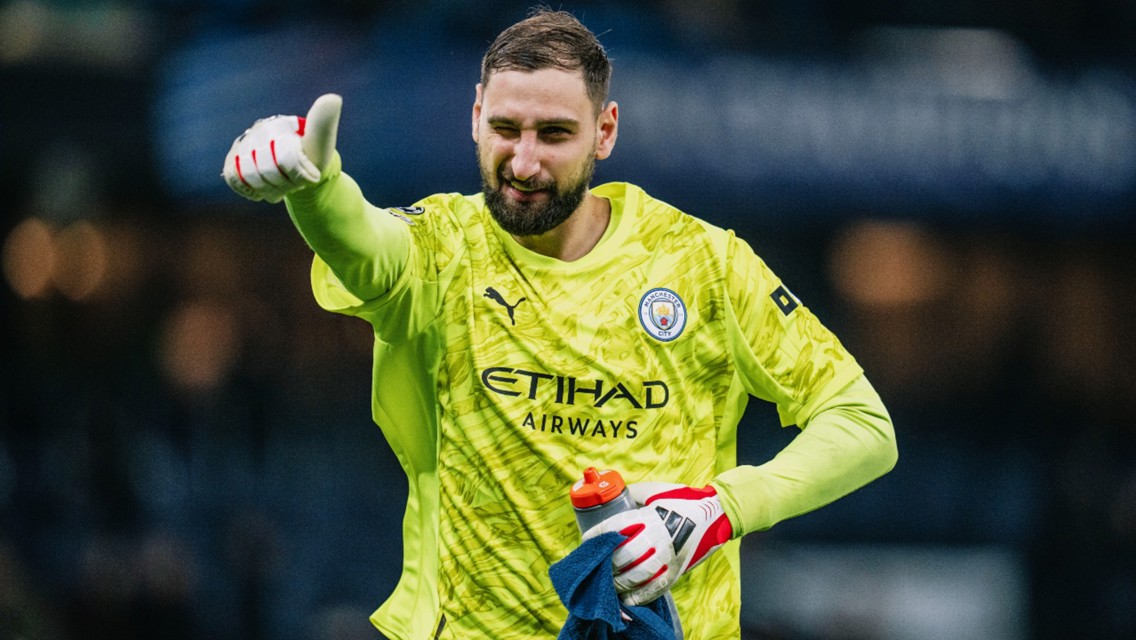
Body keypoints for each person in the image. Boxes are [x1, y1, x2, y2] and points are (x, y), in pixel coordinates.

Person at [222, 8, 897, 640]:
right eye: (506, 130)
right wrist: (316, 188)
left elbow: (862, 425)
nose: (523, 162)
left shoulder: (703, 265)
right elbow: (366, 250)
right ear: (476, 116)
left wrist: (720, 509)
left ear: (605, 131)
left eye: (554, 134)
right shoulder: (443, 247)